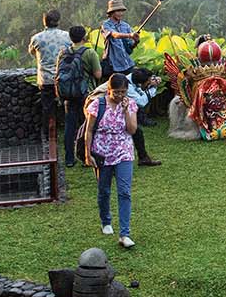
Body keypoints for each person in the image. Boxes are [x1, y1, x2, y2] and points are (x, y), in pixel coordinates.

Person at [86, 73, 138, 248]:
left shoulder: (129, 104)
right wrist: (88, 154)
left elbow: (132, 130)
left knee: (124, 191)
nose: (120, 96)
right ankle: (105, 220)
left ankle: (125, 233)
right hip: (102, 152)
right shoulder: (97, 105)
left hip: (123, 152)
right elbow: (90, 130)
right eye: (116, 92)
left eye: (123, 92)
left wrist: (125, 112)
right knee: (104, 190)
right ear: (109, 90)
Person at [56, 25, 102, 168]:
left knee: (70, 127)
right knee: (88, 126)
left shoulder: (63, 53)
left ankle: (69, 159)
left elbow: (58, 74)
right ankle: (87, 156)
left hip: (68, 96)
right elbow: (98, 74)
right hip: (86, 95)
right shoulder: (89, 53)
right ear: (84, 37)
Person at [28, 9, 72, 136]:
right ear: (58, 21)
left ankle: (47, 133)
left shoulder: (36, 38)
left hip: (45, 79)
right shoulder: (67, 36)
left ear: (44, 22)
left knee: (47, 107)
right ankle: (67, 130)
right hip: (63, 77)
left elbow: (32, 53)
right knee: (66, 105)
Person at [126, 67, 161, 166]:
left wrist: (153, 81)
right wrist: (153, 88)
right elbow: (141, 102)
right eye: (148, 81)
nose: (150, 82)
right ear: (140, 83)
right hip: (104, 110)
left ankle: (143, 158)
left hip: (119, 110)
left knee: (137, 132)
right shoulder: (127, 87)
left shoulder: (132, 79)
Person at [99, 0, 138, 81]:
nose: (121, 13)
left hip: (127, 63)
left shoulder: (126, 26)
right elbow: (114, 35)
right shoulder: (105, 25)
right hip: (112, 65)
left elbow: (130, 46)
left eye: (122, 11)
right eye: (118, 11)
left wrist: (136, 41)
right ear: (111, 12)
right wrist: (130, 35)